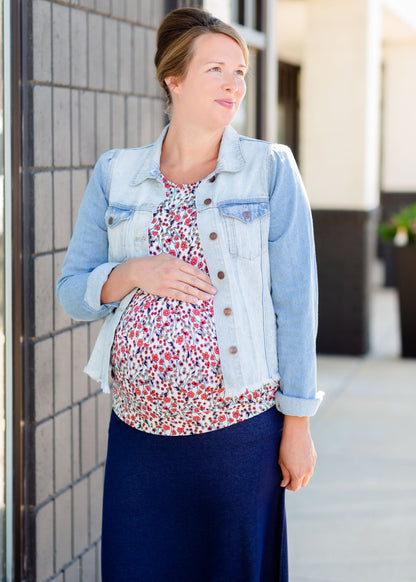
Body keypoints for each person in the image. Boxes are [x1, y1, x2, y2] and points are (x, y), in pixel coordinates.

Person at [57, 7, 323, 582]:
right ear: (172, 78)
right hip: (139, 436)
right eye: (216, 70)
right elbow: (73, 292)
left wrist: (297, 424)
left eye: (241, 71)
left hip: (239, 436)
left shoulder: (268, 169)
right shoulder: (116, 174)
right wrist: (133, 272)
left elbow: (297, 303)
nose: (235, 85)